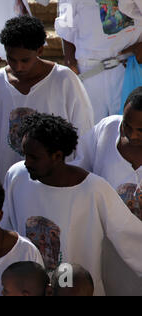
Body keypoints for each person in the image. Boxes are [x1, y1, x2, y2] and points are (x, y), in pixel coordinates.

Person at [1, 112, 142, 296]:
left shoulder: (94, 190)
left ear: (57, 156)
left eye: (34, 157)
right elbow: (6, 229)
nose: (26, 162)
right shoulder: (17, 176)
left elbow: (130, 237)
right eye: (25, 155)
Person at [0, 15, 94, 182]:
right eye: (12, 59)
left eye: (25, 60)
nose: (18, 66)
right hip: (11, 183)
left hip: (57, 183)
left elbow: (84, 135)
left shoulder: (65, 79)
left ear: (40, 51)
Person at [73, 86, 142, 295]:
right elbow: (78, 172)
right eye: (127, 125)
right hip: (105, 248)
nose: (132, 135)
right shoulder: (107, 128)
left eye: (141, 130)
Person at [55, 0, 141, 123]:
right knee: (89, 130)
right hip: (89, 72)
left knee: (131, 128)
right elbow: (65, 25)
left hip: (129, 66)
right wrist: (71, 64)